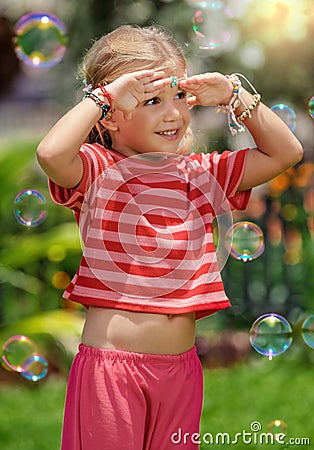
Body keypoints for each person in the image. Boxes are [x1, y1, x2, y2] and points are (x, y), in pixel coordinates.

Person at [37, 24, 303, 450]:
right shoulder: (97, 171)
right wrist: (101, 97)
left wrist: (236, 96)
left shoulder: (202, 174)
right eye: (151, 100)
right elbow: (50, 154)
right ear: (111, 114)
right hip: (111, 372)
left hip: (180, 372)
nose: (173, 112)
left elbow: (286, 152)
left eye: (179, 95)